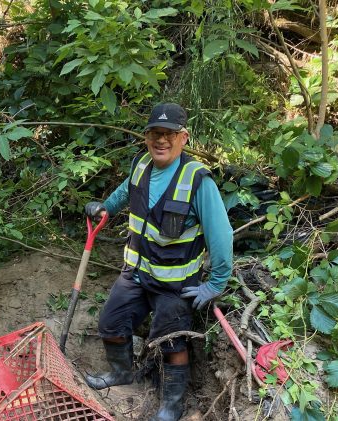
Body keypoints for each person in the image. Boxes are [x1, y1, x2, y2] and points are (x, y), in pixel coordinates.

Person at [83, 103, 233, 421]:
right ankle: (122, 373)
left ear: (184, 137)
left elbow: (222, 237)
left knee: (171, 342)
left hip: (176, 285)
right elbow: (126, 191)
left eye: (168, 134)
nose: (160, 140)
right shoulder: (141, 165)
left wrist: (216, 284)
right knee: (110, 323)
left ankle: (172, 405)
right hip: (137, 272)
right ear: (147, 136)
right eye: (154, 133)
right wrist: (106, 207)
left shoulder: (198, 180)